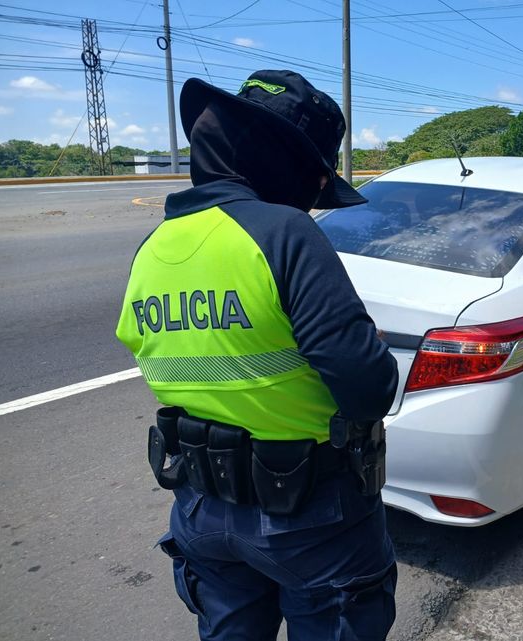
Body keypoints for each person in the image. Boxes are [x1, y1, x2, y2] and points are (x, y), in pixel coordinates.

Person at [115, 69, 400, 641]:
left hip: (201, 506)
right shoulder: (284, 231)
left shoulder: (155, 246)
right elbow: (369, 385)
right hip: (312, 519)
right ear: (289, 164)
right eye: (317, 183)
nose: (316, 200)